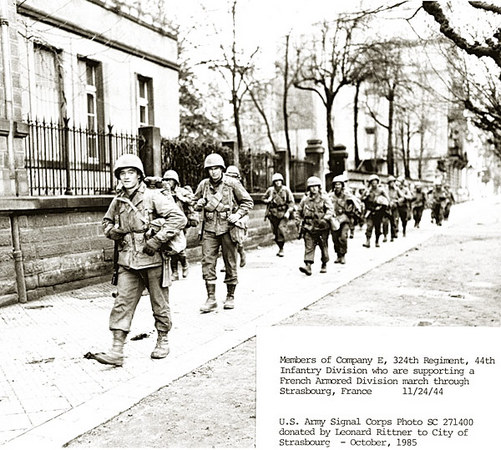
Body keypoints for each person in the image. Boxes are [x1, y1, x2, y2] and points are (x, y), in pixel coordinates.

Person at [95, 154, 187, 366]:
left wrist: (157, 240)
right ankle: (117, 350)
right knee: (122, 303)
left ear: (139, 175)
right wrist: (114, 231)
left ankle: (163, 340)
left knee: (159, 303)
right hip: (128, 261)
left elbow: (179, 219)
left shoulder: (153, 196)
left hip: (153, 259)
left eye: (131, 173)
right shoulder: (118, 200)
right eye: (122, 173)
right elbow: (106, 223)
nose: (126, 177)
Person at [193, 153, 254, 313]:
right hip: (209, 229)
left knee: (230, 262)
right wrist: (198, 204)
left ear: (222, 169)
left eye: (216, 169)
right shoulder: (204, 185)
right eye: (210, 169)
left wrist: (237, 214)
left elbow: (248, 201)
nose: (213, 172)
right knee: (208, 262)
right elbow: (193, 202)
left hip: (228, 228)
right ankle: (211, 298)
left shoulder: (232, 184)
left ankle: (230, 296)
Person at [162, 170, 199, 280]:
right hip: (169, 222)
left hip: (182, 223)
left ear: (175, 181)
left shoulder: (182, 191)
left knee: (180, 248)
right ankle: (174, 272)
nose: (168, 182)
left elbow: (193, 200)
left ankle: (184, 265)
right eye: (166, 180)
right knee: (172, 248)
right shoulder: (163, 193)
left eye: (170, 180)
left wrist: (181, 197)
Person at [295, 176, 333, 275]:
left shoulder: (324, 198)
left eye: (316, 186)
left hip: (322, 227)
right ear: (309, 188)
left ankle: (324, 263)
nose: (314, 188)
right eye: (311, 186)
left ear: (319, 187)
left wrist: (325, 219)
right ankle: (308, 266)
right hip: (309, 227)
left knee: (323, 247)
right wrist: (298, 221)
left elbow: (330, 210)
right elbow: (298, 211)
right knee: (309, 246)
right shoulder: (305, 199)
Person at [328, 174, 359, 264]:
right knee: (335, 238)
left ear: (342, 185)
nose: (337, 186)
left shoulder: (347, 196)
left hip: (345, 219)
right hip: (334, 220)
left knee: (343, 237)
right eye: (335, 184)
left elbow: (355, 204)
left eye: (339, 184)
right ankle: (338, 255)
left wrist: (350, 208)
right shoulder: (330, 196)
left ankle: (343, 255)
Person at [263, 173, 295, 257]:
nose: (278, 182)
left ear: (282, 181)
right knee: (275, 231)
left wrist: (288, 212)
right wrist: (268, 200)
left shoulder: (286, 190)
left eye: (279, 181)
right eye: (276, 181)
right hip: (273, 214)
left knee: (281, 229)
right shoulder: (270, 190)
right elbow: (263, 198)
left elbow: (291, 202)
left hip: (283, 213)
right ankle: (279, 246)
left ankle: (281, 248)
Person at [225, 165, 248, 267]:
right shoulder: (223, 187)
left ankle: (242, 252)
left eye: (233, 176)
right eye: (229, 176)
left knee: (236, 240)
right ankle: (227, 264)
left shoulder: (239, 188)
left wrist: (238, 215)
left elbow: (246, 203)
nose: (231, 179)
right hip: (225, 217)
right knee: (225, 242)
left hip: (237, 217)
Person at [362, 174, 389, 248]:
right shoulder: (367, 191)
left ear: (377, 182)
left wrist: (382, 204)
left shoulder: (381, 191)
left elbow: (387, 200)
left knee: (377, 227)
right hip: (370, 211)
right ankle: (367, 241)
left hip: (378, 211)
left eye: (375, 182)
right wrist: (365, 196)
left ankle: (377, 241)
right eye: (372, 182)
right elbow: (362, 199)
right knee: (369, 226)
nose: (374, 184)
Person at [382, 175, 401, 242]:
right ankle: (385, 236)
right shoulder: (385, 190)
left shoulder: (397, 189)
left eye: (393, 182)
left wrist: (397, 201)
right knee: (385, 222)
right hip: (386, 207)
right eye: (390, 182)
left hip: (394, 207)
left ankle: (393, 236)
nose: (392, 184)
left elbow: (402, 197)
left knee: (394, 222)